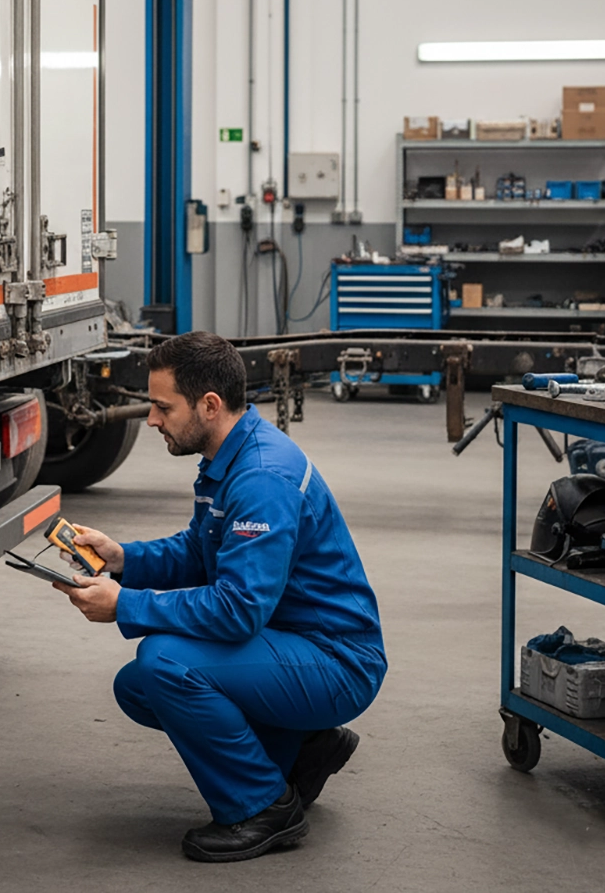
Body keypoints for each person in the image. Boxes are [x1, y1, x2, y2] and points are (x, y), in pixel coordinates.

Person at [52, 331, 386, 863]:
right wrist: (122, 559)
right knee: (138, 687)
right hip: (291, 641)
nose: (151, 420)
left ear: (209, 405)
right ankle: (305, 744)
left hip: (337, 661)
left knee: (164, 664)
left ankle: (264, 807)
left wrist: (125, 605)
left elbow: (237, 610)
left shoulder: (261, 478)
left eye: (163, 407)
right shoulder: (230, 456)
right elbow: (199, 549)